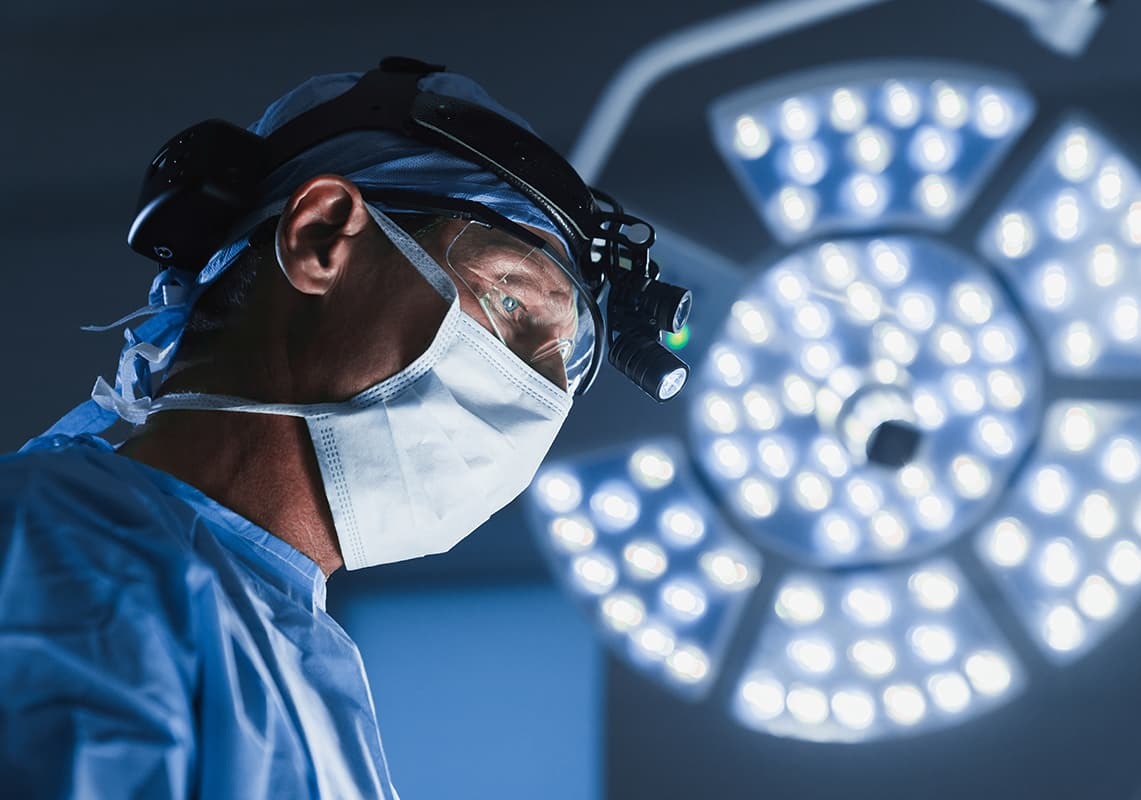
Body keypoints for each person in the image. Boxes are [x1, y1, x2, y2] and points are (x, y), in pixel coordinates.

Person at [0, 60, 685, 798]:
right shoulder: (62, 549)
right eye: (513, 306)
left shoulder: (305, 657)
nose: (541, 394)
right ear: (321, 236)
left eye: (566, 366)